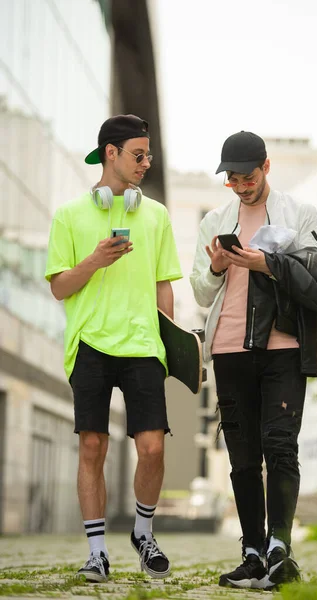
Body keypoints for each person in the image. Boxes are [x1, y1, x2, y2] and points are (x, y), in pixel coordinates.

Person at [190, 131, 317, 590]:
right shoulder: (216, 218)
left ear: (266, 168)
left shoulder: (300, 214)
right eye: (231, 179)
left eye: (246, 177)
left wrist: (266, 264)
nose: (240, 185)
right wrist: (216, 266)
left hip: (284, 345)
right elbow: (199, 290)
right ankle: (252, 553)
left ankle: (280, 548)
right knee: (243, 456)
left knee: (280, 444)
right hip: (229, 348)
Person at [45, 115, 182, 583]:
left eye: (148, 155)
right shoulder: (69, 215)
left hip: (144, 344)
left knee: (153, 448)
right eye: (137, 155)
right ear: (110, 153)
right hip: (90, 343)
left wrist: (171, 342)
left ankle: (143, 534)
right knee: (92, 445)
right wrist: (94, 261)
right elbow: (60, 288)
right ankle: (97, 551)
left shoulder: (157, 215)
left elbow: (165, 285)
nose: (146, 163)